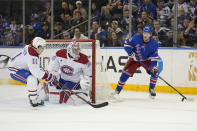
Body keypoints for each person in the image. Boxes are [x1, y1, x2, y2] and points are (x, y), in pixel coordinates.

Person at [7, 37, 57, 107]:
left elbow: (35, 67)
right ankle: (33, 99)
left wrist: (45, 74)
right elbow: (36, 72)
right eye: (42, 47)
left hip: (20, 66)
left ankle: (38, 96)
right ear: (37, 47)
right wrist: (48, 77)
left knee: (35, 79)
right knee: (32, 79)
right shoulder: (32, 56)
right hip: (14, 69)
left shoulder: (30, 47)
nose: (43, 49)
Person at [114, 26, 162, 98]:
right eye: (144, 33)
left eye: (147, 33)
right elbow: (126, 44)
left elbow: (154, 58)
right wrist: (131, 54)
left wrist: (153, 66)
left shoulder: (154, 44)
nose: (145, 35)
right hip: (134, 59)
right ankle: (117, 90)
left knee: (155, 71)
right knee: (125, 73)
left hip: (146, 60)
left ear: (151, 34)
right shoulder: (136, 38)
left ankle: (151, 89)